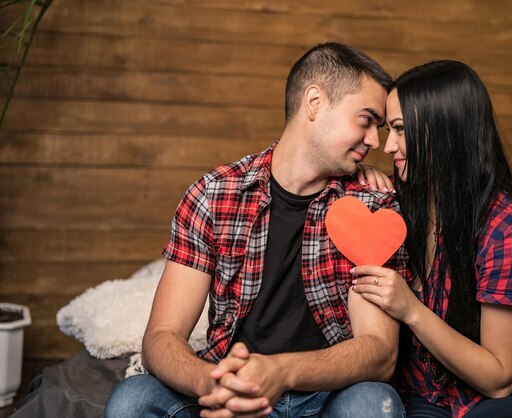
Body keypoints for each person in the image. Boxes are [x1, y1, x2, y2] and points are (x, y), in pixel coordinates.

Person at [104, 42, 408, 418]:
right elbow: (161, 336)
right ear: (314, 103)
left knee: (372, 405)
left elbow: (379, 351)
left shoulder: (371, 205)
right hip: (228, 387)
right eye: (366, 120)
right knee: (132, 400)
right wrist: (213, 383)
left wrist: (281, 372)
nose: (375, 142)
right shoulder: (215, 194)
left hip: (323, 395)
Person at [352, 61, 512, 417]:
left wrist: (411, 309)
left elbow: (499, 379)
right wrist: (356, 175)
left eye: (400, 129)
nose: (387, 146)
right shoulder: (396, 205)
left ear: (445, 132)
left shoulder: (509, 231)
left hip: (503, 396)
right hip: (428, 393)